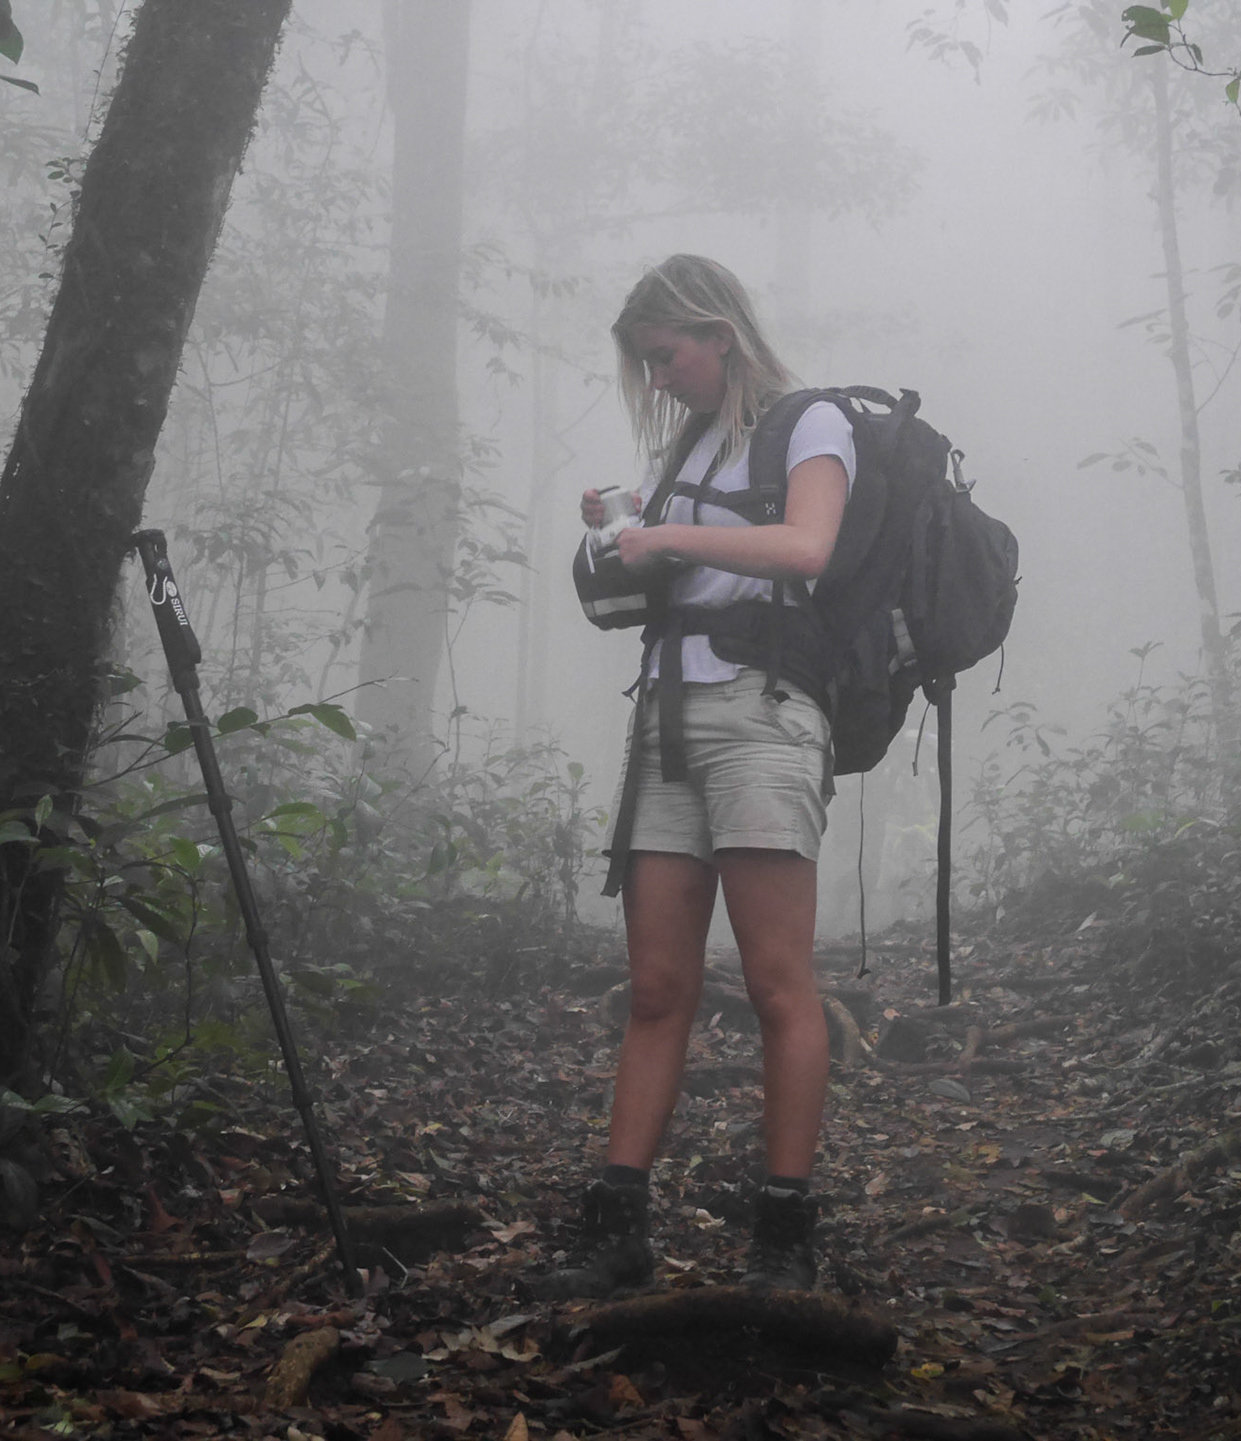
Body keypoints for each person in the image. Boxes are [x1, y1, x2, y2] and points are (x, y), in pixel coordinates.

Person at [536, 255, 854, 1298]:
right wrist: (622, 529)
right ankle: (618, 1223)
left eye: (667, 356)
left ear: (718, 330)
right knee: (660, 986)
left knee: (774, 984)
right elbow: (668, 575)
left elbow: (807, 547)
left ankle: (784, 1234)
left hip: (764, 716)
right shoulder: (686, 447)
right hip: (666, 721)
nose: (659, 378)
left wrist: (663, 529)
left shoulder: (811, 423)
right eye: (646, 364)